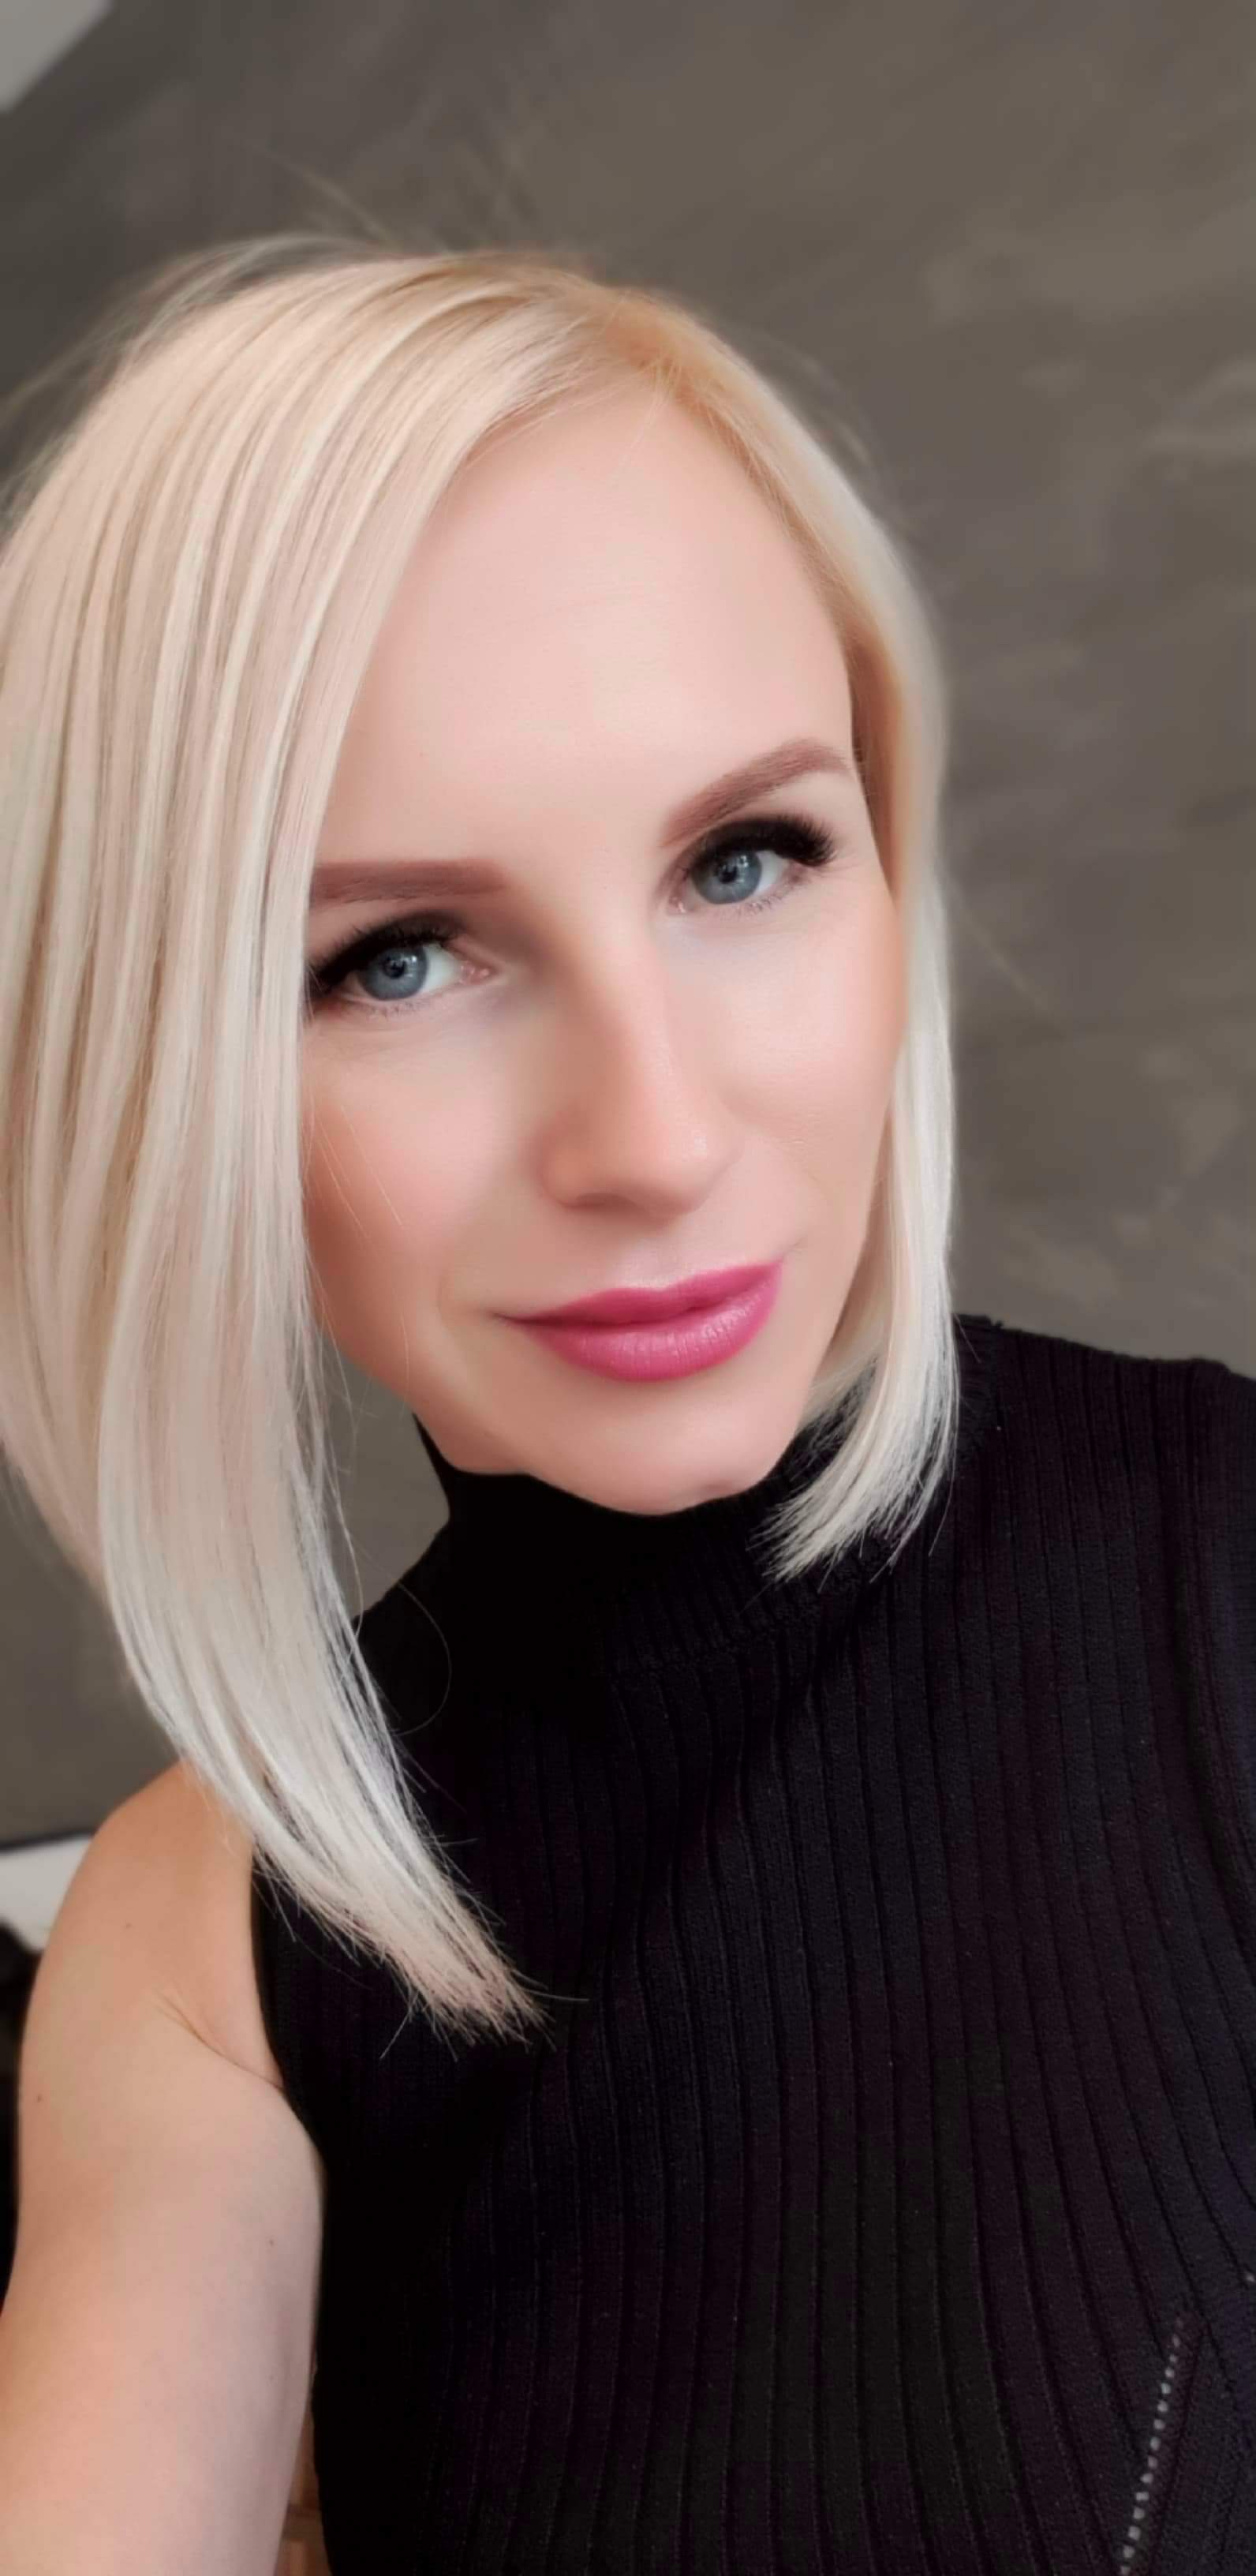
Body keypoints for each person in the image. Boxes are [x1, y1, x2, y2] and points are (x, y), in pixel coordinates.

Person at [0, 237, 1251, 2576]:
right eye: (396, 956)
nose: (655, 1138)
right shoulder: (200, 1932)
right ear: (163, 1073)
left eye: (744, 858)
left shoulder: (1222, 1545)